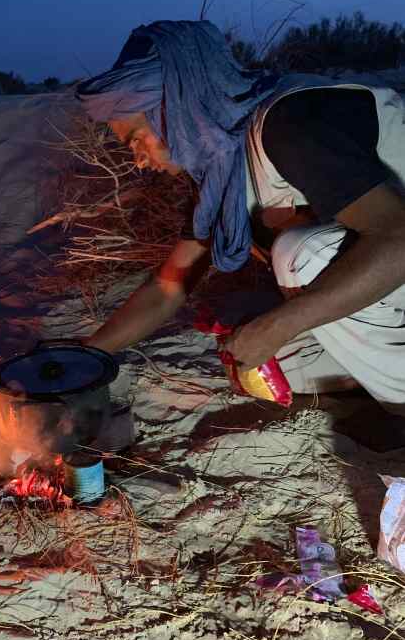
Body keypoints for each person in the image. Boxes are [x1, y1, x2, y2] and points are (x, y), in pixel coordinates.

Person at [75, 20, 405, 415]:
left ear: (176, 107)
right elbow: (169, 287)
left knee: (299, 255)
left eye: (136, 139)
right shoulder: (223, 167)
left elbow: (396, 238)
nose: (138, 161)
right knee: (265, 365)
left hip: (395, 256)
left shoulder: (290, 123)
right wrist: (85, 359)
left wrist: (277, 325)